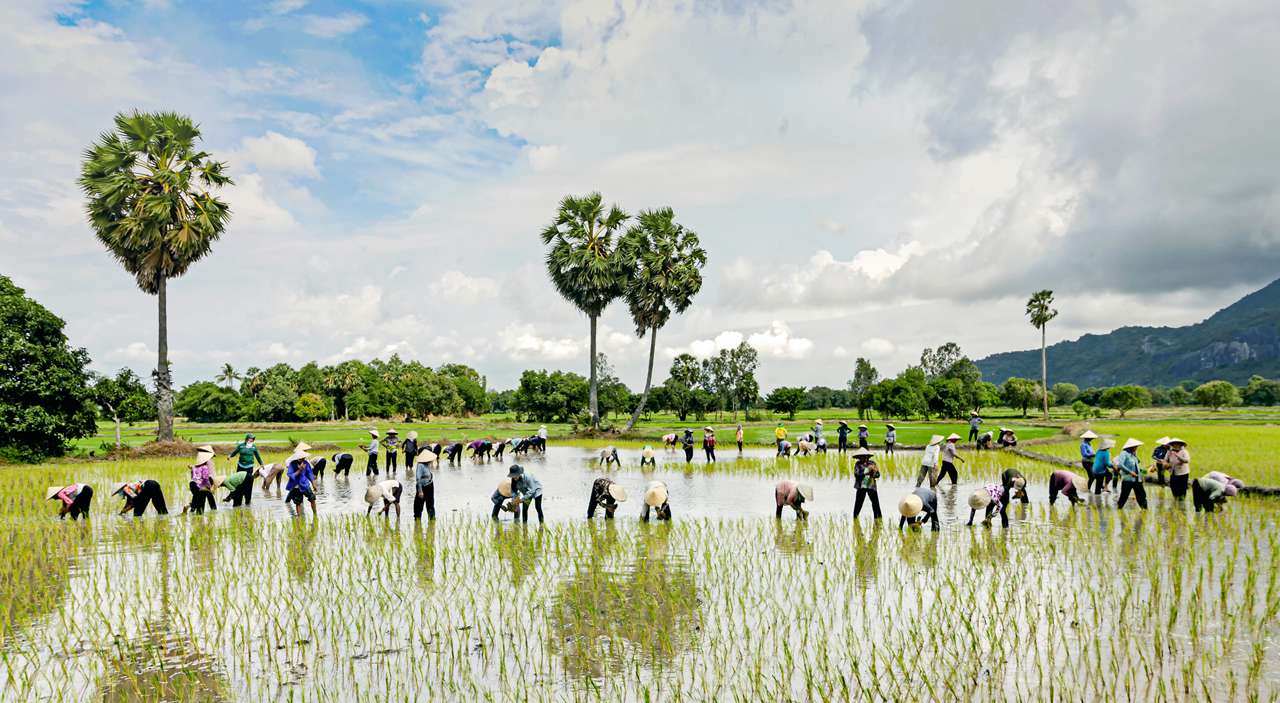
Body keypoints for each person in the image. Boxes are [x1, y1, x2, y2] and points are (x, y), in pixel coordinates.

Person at [284, 446, 318, 517]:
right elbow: (290, 475)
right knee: (298, 503)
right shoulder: (292, 464)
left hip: (305, 485)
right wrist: (299, 470)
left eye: (303, 458)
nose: (302, 459)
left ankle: (315, 515)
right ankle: (299, 517)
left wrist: (313, 484)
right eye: (301, 458)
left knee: (312, 498)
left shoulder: (306, 463)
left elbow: (309, 474)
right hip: (296, 486)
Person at [1115, 438, 1148, 510]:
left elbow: (1137, 465)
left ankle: (1145, 510)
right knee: (1124, 496)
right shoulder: (1124, 453)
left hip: (1137, 479)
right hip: (1128, 480)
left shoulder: (1133, 455)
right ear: (1131, 447)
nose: (1136, 448)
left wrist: (1143, 472)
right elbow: (1120, 465)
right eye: (1136, 447)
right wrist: (1130, 472)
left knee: (1142, 496)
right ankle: (1119, 509)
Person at [851, 447, 881, 520]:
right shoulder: (857, 464)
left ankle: (878, 519)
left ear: (867, 456)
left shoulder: (872, 463)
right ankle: (855, 519)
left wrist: (873, 474)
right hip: (861, 486)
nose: (862, 458)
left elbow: (878, 474)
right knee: (858, 503)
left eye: (864, 456)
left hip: (871, 486)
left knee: (875, 503)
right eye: (861, 457)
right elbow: (857, 476)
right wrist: (867, 472)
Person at [186, 445, 217, 514]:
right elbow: (207, 477)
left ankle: (192, 509)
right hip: (204, 482)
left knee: (197, 497)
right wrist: (210, 486)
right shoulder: (208, 462)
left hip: (193, 483)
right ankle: (210, 510)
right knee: (204, 497)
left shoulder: (197, 464)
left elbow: (193, 475)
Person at [413, 447, 437, 521]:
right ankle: (417, 520)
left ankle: (432, 520)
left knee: (430, 504)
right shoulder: (420, 465)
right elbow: (418, 478)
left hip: (429, 486)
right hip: (423, 487)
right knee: (419, 505)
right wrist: (420, 491)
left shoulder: (426, 464)